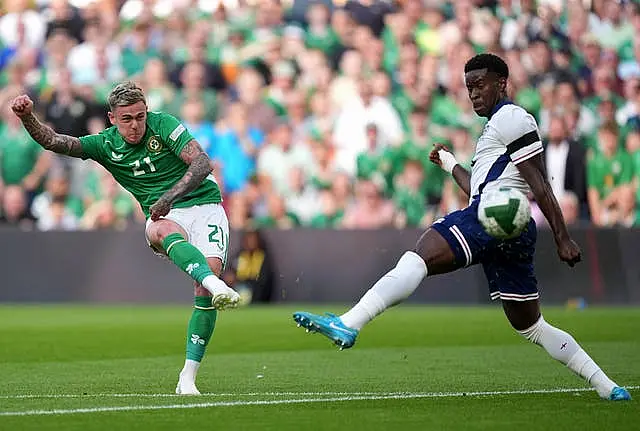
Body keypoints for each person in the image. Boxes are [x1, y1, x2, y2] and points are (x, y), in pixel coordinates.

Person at [293, 54, 631, 402]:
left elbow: (540, 184)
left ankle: (350, 322)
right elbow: (479, 189)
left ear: (502, 83)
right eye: (469, 87)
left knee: (418, 257)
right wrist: (450, 163)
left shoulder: (513, 117)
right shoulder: (495, 128)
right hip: (506, 223)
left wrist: (562, 237)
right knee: (531, 326)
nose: (473, 94)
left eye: (480, 84)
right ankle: (609, 388)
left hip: (493, 217)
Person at [10, 81, 241, 396]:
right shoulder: (104, 145)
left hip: (206, 206)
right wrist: (27, 118)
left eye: (140, 116)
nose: (136, 125)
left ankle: (187, 377)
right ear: (111, 118)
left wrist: (169, 196)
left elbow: (202, 163)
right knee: (162, 231)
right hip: (165, 217)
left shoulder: (164, 125)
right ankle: (216, 285)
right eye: (127, 119)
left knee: (202, 289)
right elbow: (54, 141)